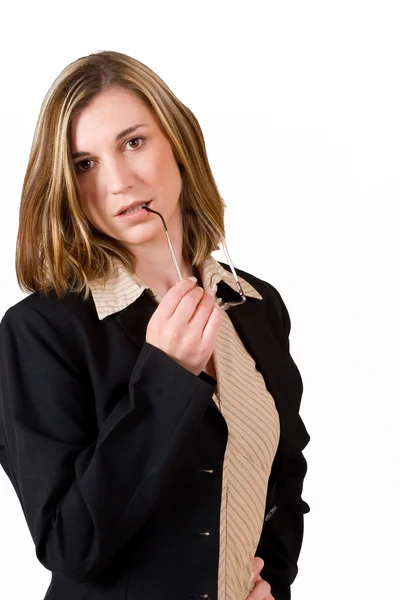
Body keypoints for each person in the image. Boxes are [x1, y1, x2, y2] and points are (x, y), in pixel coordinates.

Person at [0, 50, 310, 600]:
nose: (118, 180)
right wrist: (167, 377)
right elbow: (70, 544)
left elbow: (284, 475)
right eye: (84, 163)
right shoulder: (40, 332)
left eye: (133, 142)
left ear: (178, 141)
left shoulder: (257, 304)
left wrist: (273, 582)